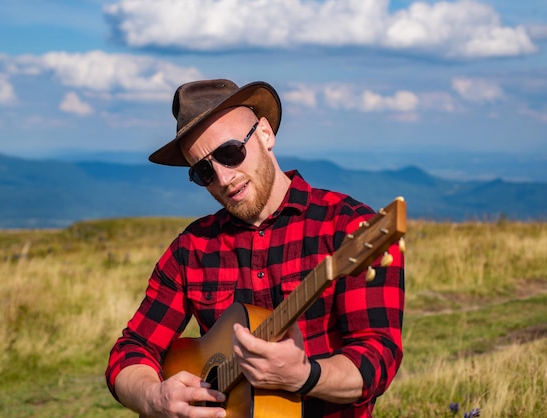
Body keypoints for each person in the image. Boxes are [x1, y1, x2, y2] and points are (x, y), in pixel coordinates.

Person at [106, 79, 404, 418]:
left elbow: (377, 358)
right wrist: (152, 397)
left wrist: (305, 376)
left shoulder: (349, 228)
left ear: (264, 134)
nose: (222, 177)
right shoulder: (192, 249)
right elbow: (131, 350)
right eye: (203, 171)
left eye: (229, 153)